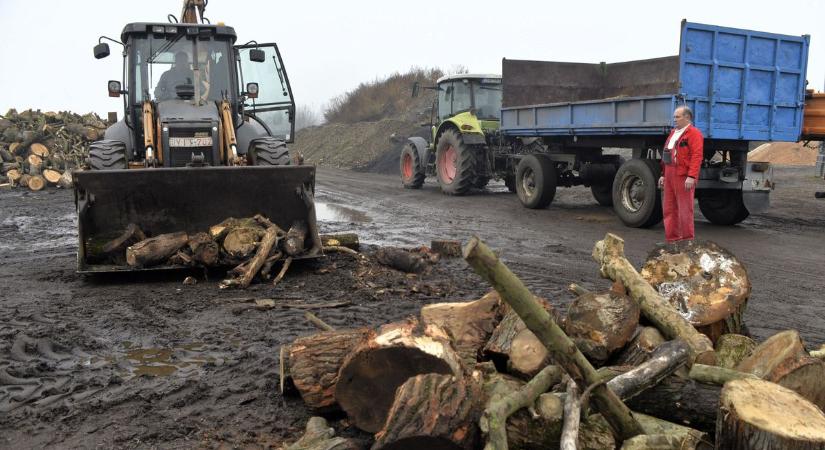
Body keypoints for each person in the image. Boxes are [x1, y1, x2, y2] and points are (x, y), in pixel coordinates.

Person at [658, 106, 704, 242]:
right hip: (670, 173)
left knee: (685, 209)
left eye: (677, 117)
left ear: (687, 117)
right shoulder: (673, 133)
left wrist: (691, 176)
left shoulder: (694, 134)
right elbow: (667, 155)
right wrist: (663, 174)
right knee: (669, 208)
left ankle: (687, 240)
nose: (674, 120)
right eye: (674, 117)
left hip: (683, 175)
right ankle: (672, 240)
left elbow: (697, 156)